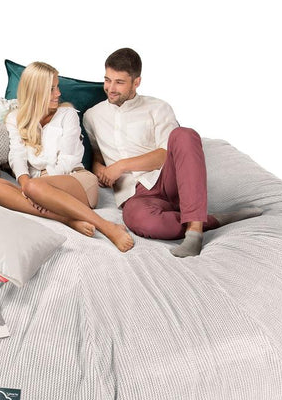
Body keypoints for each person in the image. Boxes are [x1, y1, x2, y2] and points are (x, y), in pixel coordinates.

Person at [83, 48, 262, 257]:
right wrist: (100, 169)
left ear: (136, 82)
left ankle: (194, 232)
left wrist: (121, 166)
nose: (110, 88)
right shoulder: (92, 116)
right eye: (107, 80)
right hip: (134, 194)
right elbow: (96, 153)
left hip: (167, 180)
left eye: (119, 82)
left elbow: (164, 154)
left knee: (184, 134)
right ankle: (212, 219)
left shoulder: (158, 108)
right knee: (144, 223)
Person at [0, 61, 134, 252]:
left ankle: (107, 227)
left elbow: (68, 160)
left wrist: (34, 187)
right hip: (36, 188)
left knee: (35, 187)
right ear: (36, 91)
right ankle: (67, 219)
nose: (58, 93)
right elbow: (17, 155)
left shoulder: (68, 114)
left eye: (57, 87)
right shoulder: (15, 118)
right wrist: (26, 184)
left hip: (75, 179)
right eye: (52, 89)